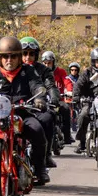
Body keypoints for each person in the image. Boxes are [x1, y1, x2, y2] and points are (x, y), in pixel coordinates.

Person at [0, 36, 54, 186]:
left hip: (22, 114)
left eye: (13, 56)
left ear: (19, 57)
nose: (9, 60)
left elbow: (37, 86)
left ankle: (40, 168)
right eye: (5, 56)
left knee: (38, 130)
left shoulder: (29, 71)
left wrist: (40, 99)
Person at [20, 38, 61, 168]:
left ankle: (45, 154)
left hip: (39, 105)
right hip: (18, 106)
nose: (28, 57)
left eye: (31, 54)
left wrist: (54, 98)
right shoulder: (14, 69)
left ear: (36, 55)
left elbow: (50, 86)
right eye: (24, 53)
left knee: (48, 118)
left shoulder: (44, 70)